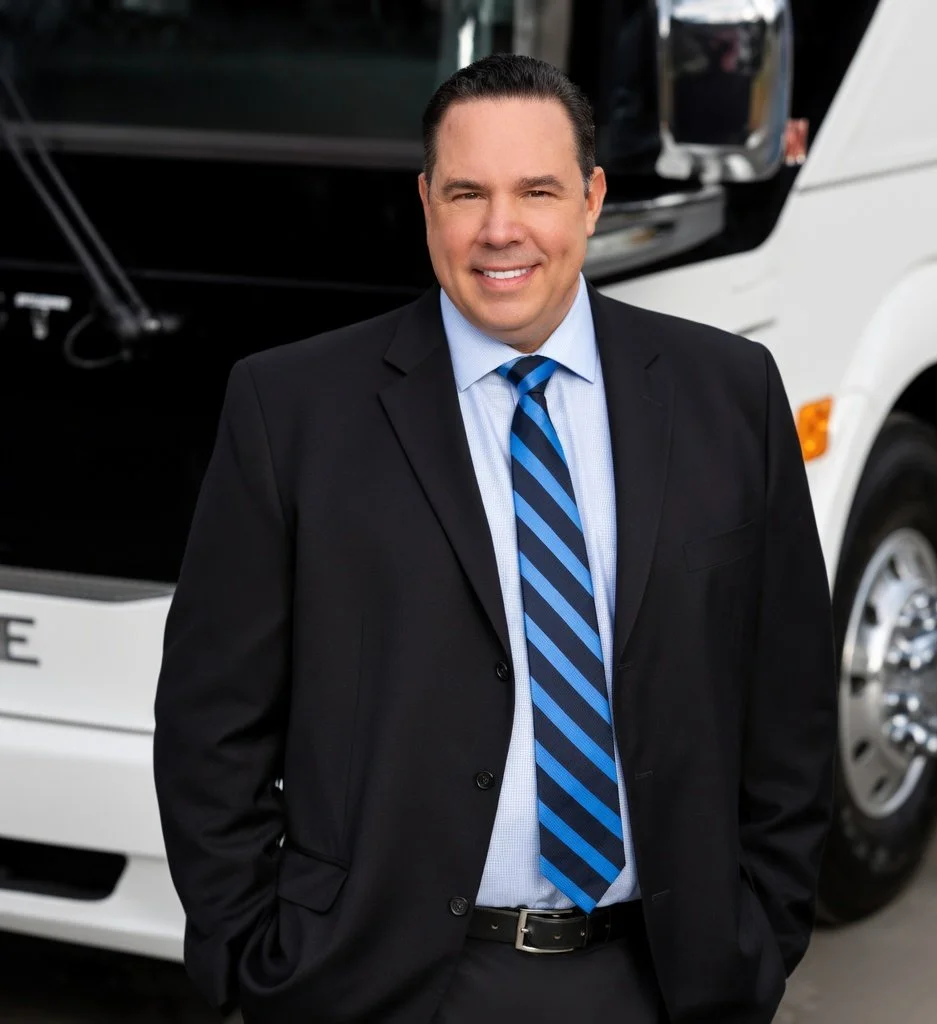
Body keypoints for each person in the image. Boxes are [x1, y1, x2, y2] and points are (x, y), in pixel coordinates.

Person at [153, 53, 837, 1024]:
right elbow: (208, 723)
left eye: (538, 190)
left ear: (593, 200)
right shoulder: (290, 409)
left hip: (662, 980)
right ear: (427, 202)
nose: (499, 229)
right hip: (381, 985)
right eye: (467, 191)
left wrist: (759, 932)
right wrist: (253, 957)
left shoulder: (730, 394)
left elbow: (788, 700)